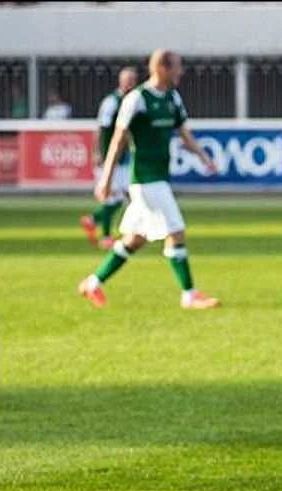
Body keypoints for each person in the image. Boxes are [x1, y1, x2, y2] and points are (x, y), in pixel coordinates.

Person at [79, 49, 221, 310]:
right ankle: (189, 295)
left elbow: (183, 133)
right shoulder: (137, 99)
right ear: (162, 68)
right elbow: (118, 140)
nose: (181, 72)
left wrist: (203, 156)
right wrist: (106, 180)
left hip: (159, 178)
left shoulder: (172, 98)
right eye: (177, 67)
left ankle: (93, 283)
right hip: (145, 180)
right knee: (176, 232)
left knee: (135, 239)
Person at [80, 66, 138, 250]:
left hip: (123, 159)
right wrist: (97, 153)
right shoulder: (111, 102)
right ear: (121, 81)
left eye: (133, 80)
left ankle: (93, 221)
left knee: (120, 198)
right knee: (113, 198)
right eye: (128, 80)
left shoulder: (132, 101)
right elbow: (101, 129)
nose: (131, 83)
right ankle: (105, 235)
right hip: (110, 159)